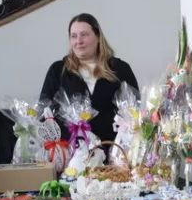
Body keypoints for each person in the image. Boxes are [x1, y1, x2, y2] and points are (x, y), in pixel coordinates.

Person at [39, 13, 138, 144]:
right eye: (74, 36)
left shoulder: (120, 68)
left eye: (84, 35)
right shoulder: (58, 70)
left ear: (98, 37)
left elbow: (134, 111)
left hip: (115, 149)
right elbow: (44, 113)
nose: (78, 41)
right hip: (71, 149)